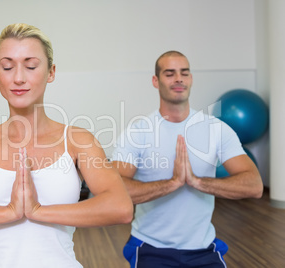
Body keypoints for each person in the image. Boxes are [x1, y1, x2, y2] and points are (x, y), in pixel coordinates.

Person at [0, 23, 133, 268]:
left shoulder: (78, 141)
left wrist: (38, 211)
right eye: (7, 66)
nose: (18, 77)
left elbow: (120, 207)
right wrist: (8, 212)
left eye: (31, 66)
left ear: (51, 72)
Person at [111, 50, 263, 268]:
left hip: (203, 249)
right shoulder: (138, 132)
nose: (179, 79)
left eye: (184, 72)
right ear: (156, 81)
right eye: (169, 73)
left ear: (191, 79)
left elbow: (254, 186)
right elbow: (115, 191)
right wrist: (172, 183)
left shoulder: (216, 129)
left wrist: (197, 182)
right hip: (151, 248)